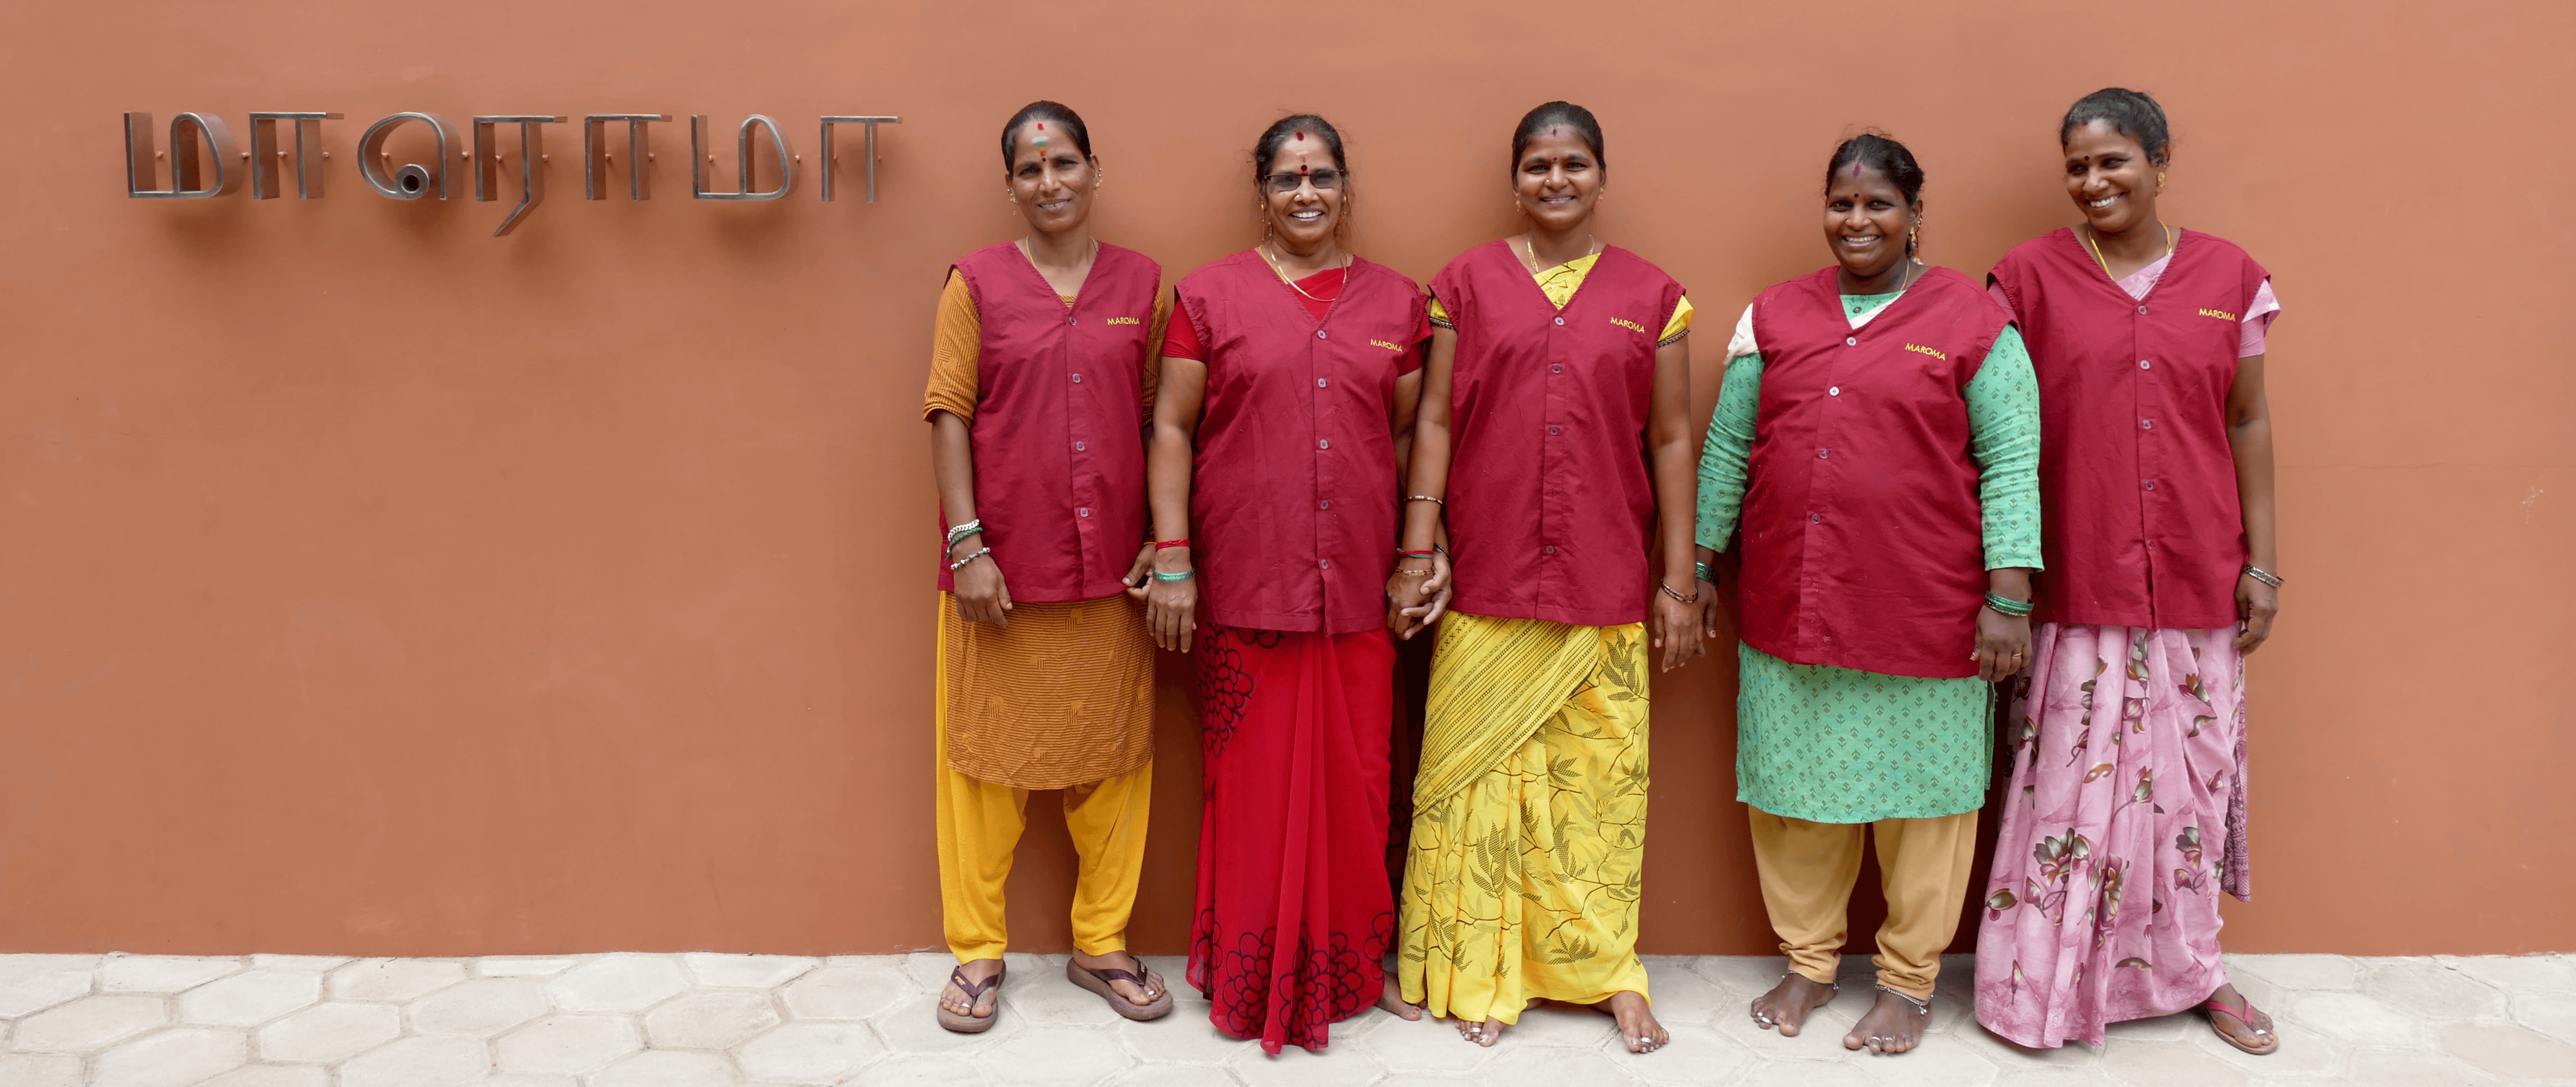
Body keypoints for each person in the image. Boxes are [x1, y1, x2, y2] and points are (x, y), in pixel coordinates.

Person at [1697, 133, 2041, 1057]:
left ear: (1916, 214)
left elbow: (2011, 459)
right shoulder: (1772, 317)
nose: (1858, 222)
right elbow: (1730, 448)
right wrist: (1697, 562)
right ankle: (1810, 962)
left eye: (1879, 205)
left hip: (1925, 610)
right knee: (1796, 796)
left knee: (1928, 806)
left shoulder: (1973, 322)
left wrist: (2008, 594)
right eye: (1842, 205)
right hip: (1793, 602)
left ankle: (1908, 982)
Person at [1973, 88, 2282, 1056]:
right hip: (2079, 582)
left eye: (2114, 161)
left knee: (2186, 795)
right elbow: (1997, 434)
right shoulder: (2024, 281)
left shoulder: (2230, 274)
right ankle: (2047, 978)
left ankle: (2196, 972)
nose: (2094, 180)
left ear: (2157, 162)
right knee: (2067, 792)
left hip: (2196, 575)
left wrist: (2264, 564)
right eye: (2078, 165)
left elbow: (2247, 420)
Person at [1385, 101, 1699, 1054]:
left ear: (1602, 175)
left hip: (1603, 578)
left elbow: (1673, 436)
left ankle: (1606, 972)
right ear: (1515, 179)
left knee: (1598, 794)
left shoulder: (1655, 298)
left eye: (1573, 163)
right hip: (1486, 574)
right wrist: (1416, 546)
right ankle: (1478, 966)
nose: (1555, 180)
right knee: (1472, 782)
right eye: (1537, 165)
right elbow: (1432, 422)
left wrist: (1678, 579)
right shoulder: (1464, 287)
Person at [1141, 114, 1432, 1054]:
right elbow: (1173, 428)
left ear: (1347, 188)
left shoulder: (1398, 304)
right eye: (1286, 178)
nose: (1305, 193)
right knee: (1256, 788)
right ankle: (1251, 969)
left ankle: (1352, 960)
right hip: (1247, 586)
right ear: (1262, 193)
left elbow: (1404, 437)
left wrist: (1418, 552)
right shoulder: (1209, 298)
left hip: (1355, 586)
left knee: (1357, 781)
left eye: (1321, 176)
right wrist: (1174, 555)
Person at [921, 101, 1172, 1033]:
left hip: (1112, 569)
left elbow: (1161, 421)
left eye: (1064, 163)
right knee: (984, 768)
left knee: (1114, 763)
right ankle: (976, 953)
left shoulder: (1143, 284)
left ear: (1093, 171)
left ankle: (1100, 942)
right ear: (1011, 186)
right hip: (1002, 575)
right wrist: (969, 543)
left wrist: (1163, 536)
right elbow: (949, 411)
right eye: (1030, 171)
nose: (1050, 183)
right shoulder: (976, 283)